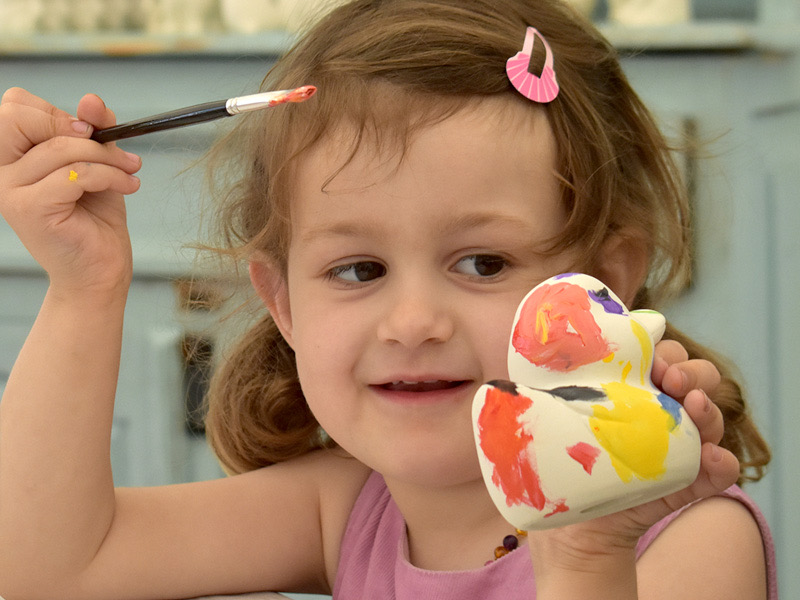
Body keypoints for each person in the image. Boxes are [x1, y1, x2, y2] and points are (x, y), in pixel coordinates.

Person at [0, 0, 775, 598]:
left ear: (603, 288)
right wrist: (84, 289)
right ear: (283, 305)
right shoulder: (347, 509)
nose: (413, 323)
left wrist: (585, 553)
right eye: (359, 270)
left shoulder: (688, 539)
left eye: (483, 262)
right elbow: (48, 567)